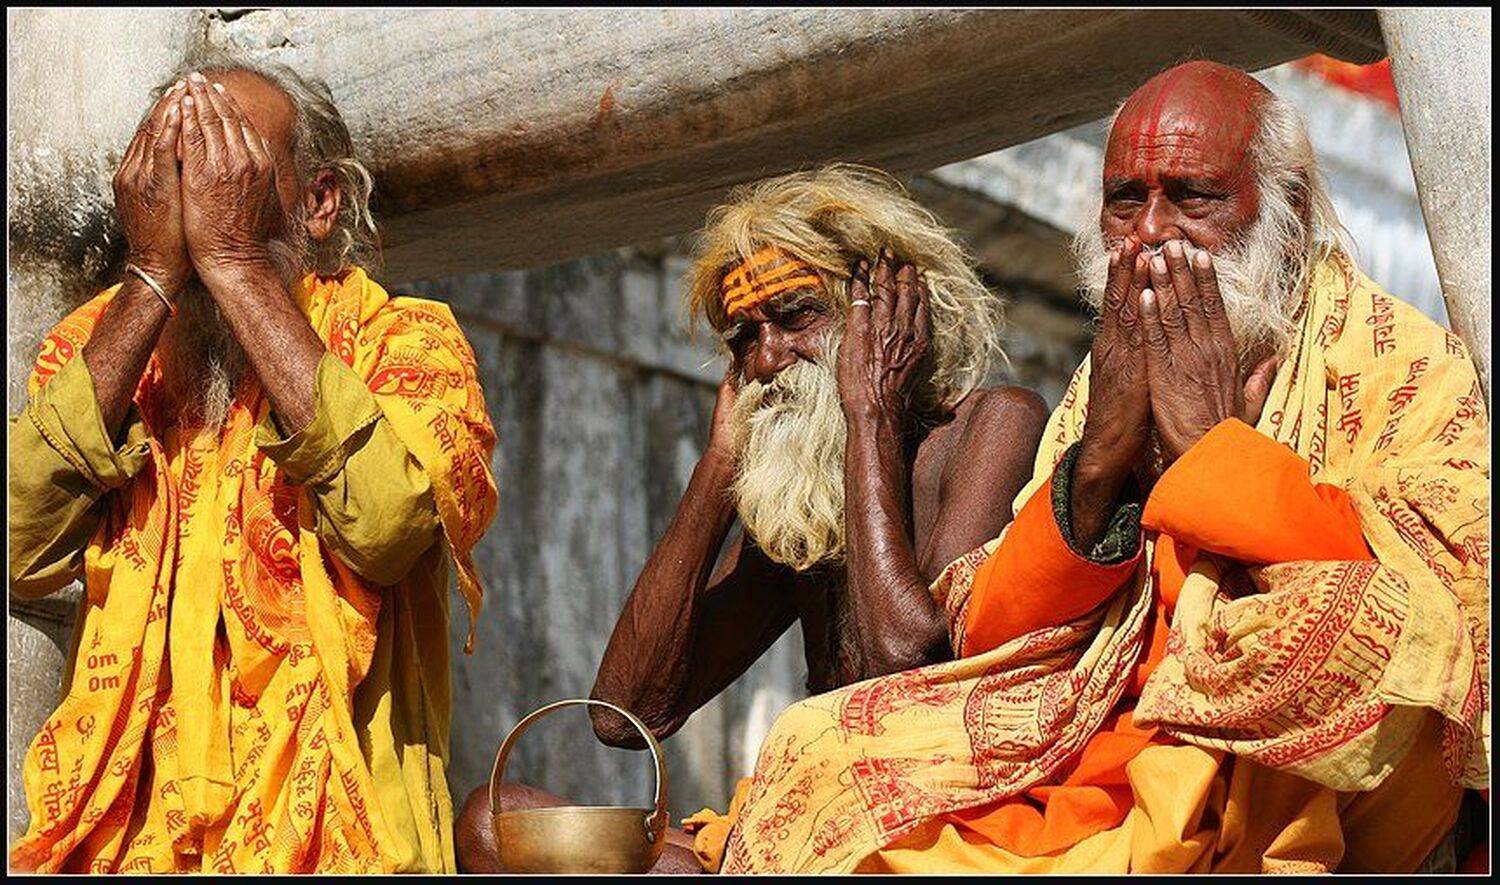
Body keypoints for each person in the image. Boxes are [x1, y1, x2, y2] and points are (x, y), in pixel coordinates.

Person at [716, 61, 1489, 874]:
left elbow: (1433, 628)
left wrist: (1212, 452)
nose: (1150, 232)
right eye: (1126, 199)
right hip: (1103, 743)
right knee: (817, 747)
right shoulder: (1111, 368)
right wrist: (1097, 469)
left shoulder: (1400, 365)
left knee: (1295, 677)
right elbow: (993, 631)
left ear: (1287, 211)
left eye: (1192, 196)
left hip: (1287, 768)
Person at [454, 164, 1047, 872]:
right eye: (744, 337)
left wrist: (869, 414)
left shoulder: (995, 425)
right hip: (806, 829)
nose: (767, 359)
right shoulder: (806, 505)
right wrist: (718, 466)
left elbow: (908, 672)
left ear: (891, 314)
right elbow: (622, 715)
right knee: (496, 825)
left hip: (934, 835)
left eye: (798, 317)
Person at [8, 52, 497, 873]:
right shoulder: (106, 353)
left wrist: (236, 269)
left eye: (229, 168)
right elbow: (17, 537)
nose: (198, 205)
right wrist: (153, 275)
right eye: (175, 171)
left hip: (344, 850)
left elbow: (385, 526)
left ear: (318, 201)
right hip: (125, 853)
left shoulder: (407, 344)